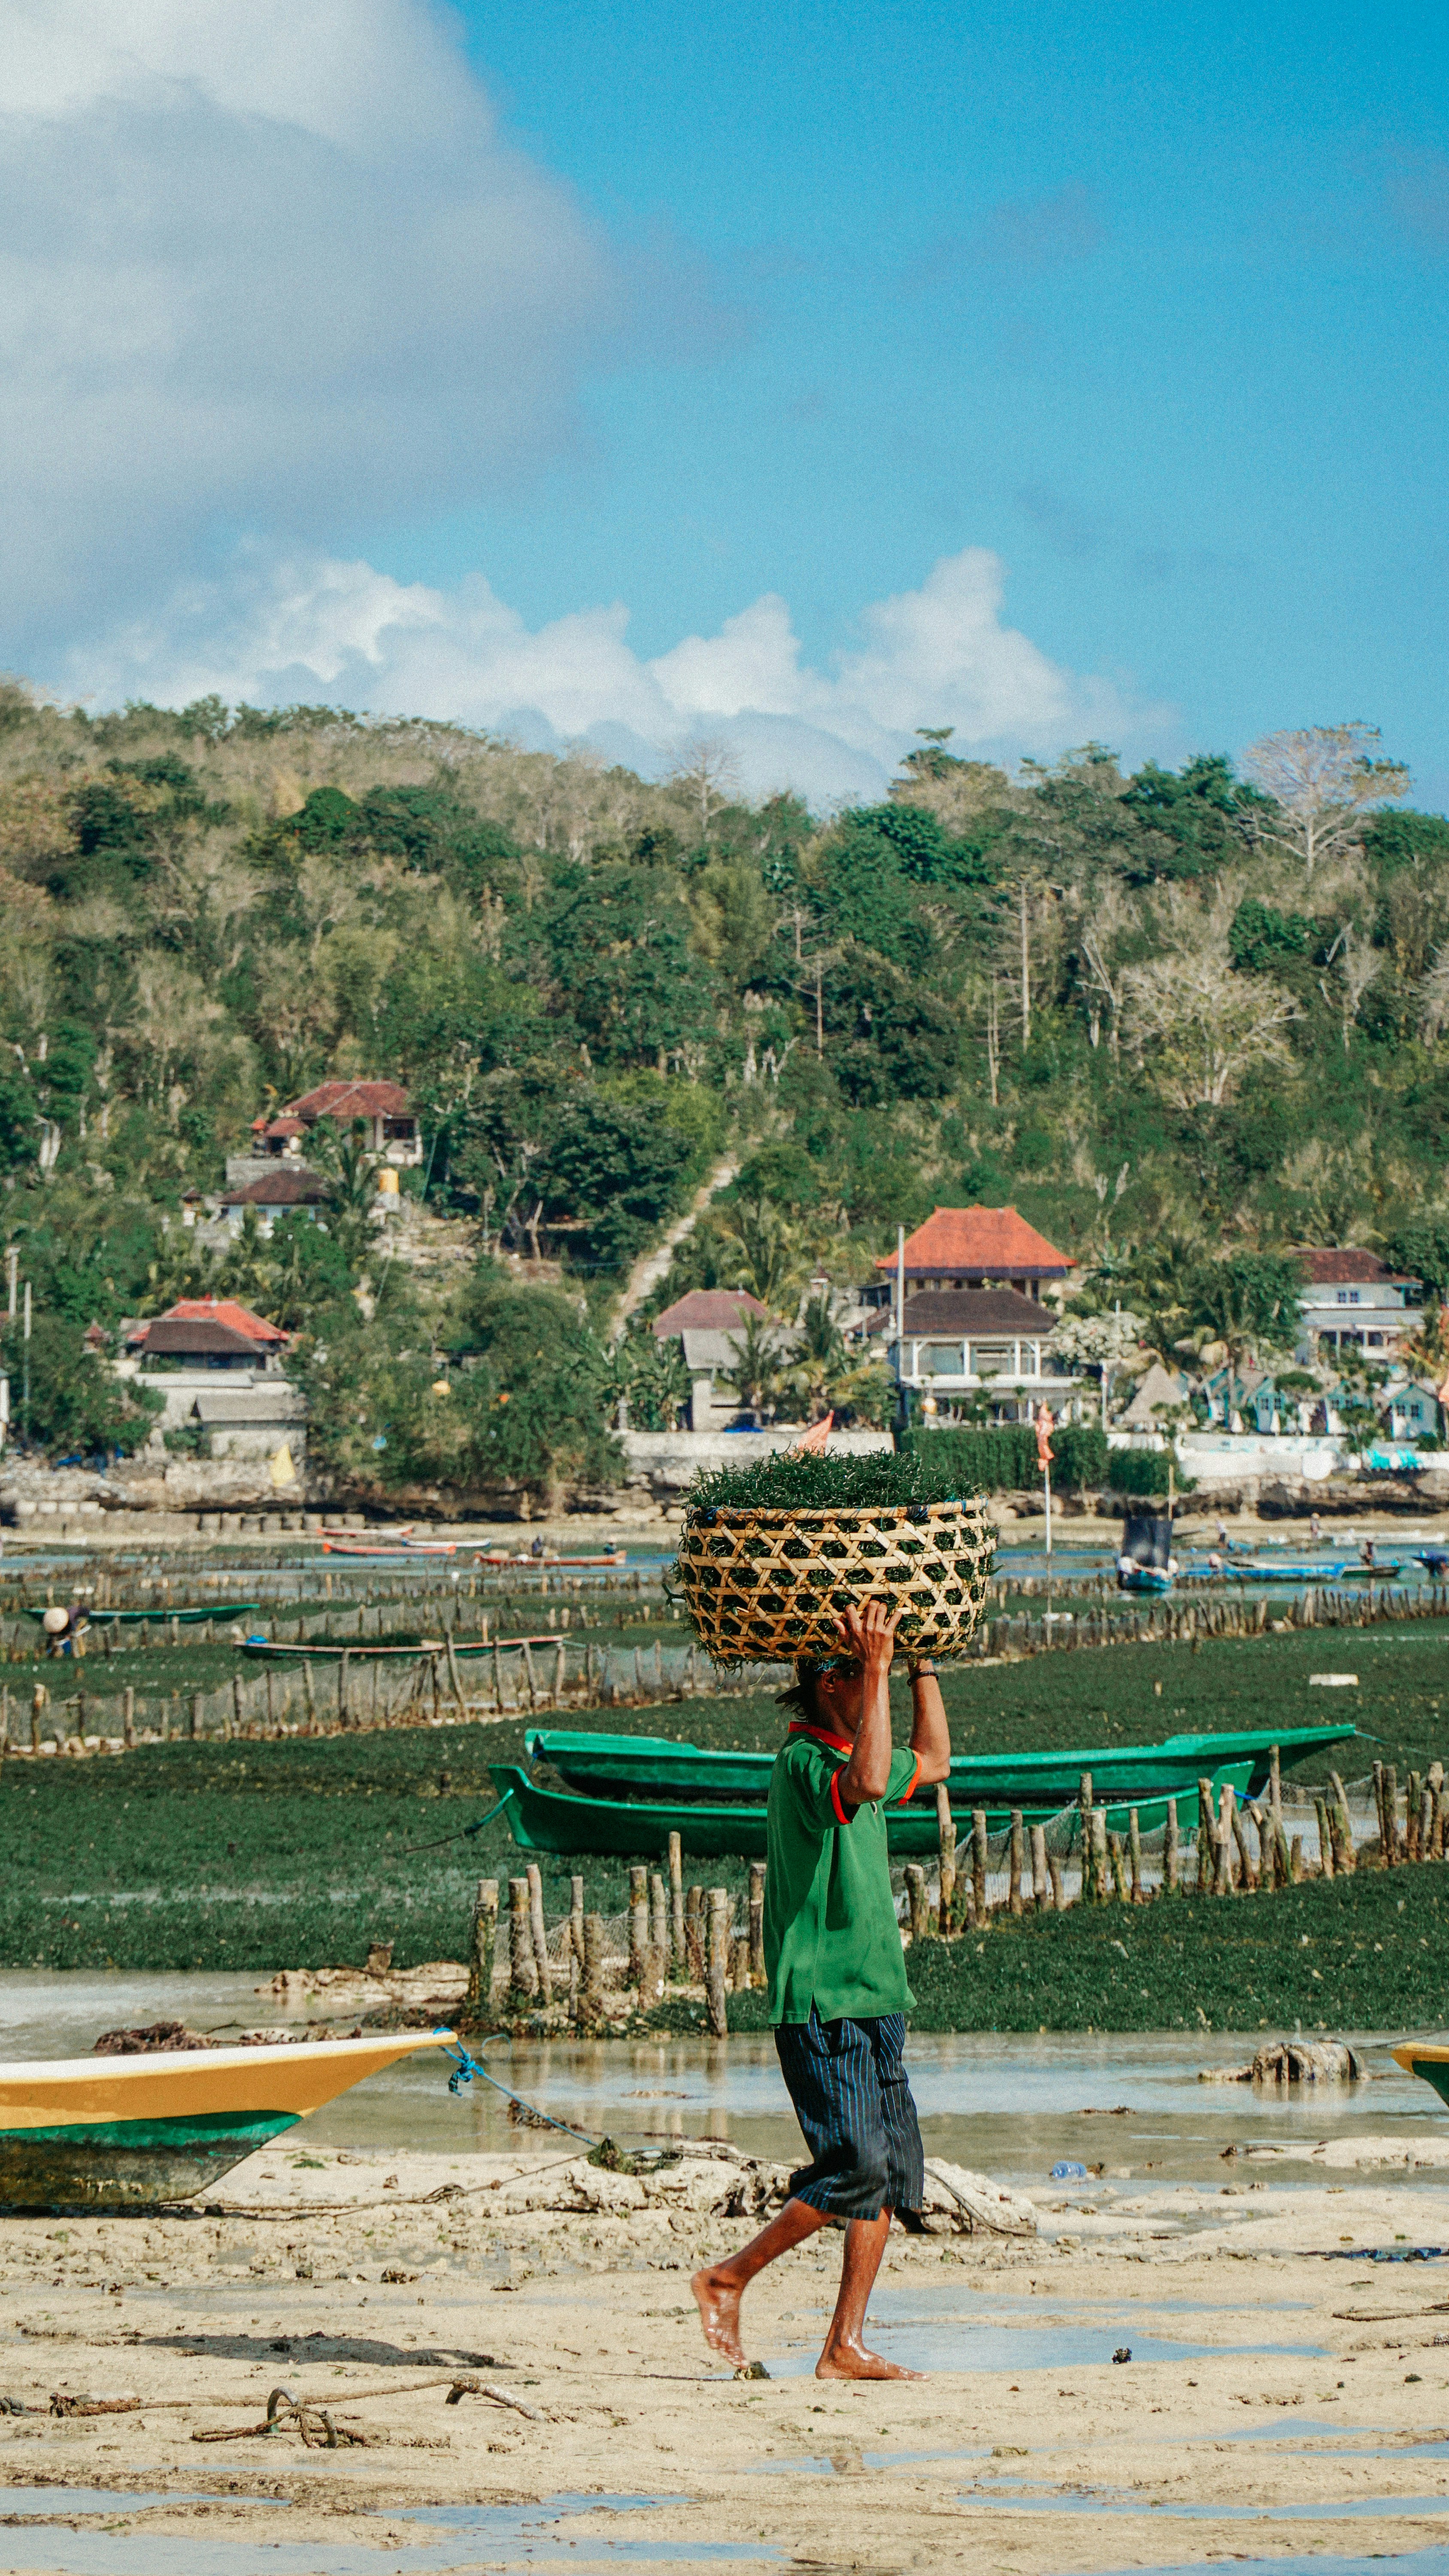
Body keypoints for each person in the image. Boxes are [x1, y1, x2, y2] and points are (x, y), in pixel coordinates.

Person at [691, 1596, 951, 2379]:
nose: (861, 1680)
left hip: (877, 1997)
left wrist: (919, 1666)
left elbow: (933, 1762)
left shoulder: (854, 1742)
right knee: (856, 2167)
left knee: (889, 2177)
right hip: (822, 2002)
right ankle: (727, 2276)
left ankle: (844, 2346)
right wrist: (877, 1668)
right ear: (828, 1684)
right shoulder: (807, 1763)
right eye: (850, 1671)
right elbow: (869, 1781)